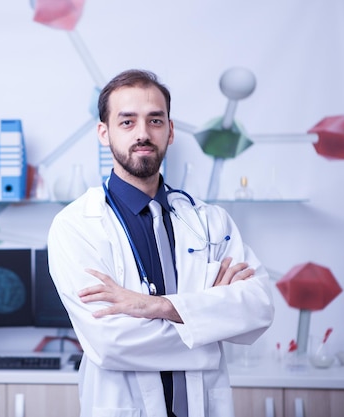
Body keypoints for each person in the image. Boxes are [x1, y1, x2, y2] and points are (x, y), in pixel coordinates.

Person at [47, 69, 274, 417]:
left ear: (170, 132)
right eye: (127, 122)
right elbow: (110, 343)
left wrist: (158, 306)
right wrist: (209, 328)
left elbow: (258, 307)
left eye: (155, 120)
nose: (143, 134)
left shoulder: (210, 222)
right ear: (103, 134)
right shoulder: (76, 227)